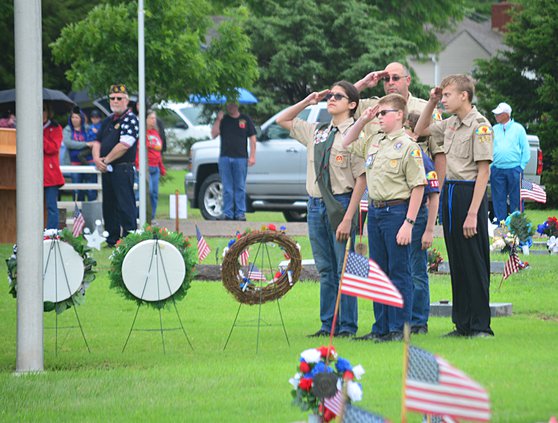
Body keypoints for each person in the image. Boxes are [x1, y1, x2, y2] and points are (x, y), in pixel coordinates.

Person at [276, 81, 367, 338]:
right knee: (326, 269)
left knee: (344, 269)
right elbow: (282, 119)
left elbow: (362, 178)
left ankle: (347, 326)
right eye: (330, 95)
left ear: (351, 105)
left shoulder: (355, 133)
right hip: (315, 205)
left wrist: (349, 218)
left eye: (338, 96)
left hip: (340, 205)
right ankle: (329, 324)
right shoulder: (318, 131)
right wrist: (307, 101)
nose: (331, 99)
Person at [415, 74, 494, 338]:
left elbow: (483, 172)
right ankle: (462, 324)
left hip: (469, 194)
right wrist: (432, 101)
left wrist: (473, 213)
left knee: (474, 260)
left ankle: (481, 325)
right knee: (458, 261)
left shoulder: (479, 126)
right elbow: (421, 129)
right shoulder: (450, 124)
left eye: (448, 95)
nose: (444, 99)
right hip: (449, 192)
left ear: (464, 95)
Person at [343, 94, 426, 342]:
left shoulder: (409, 146)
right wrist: (363, 120)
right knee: (378, 272)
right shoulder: (374, 141)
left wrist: (409, 224)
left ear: (399, 114)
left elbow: (419, 187)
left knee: (399, 271)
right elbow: (348, 141)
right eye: (377, 113)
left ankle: (398, 329)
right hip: (376, 211)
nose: (378, 117)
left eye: (383, 113)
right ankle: (381, 327)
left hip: (397, 211)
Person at [405, 112, 441, 335]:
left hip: (417, 220)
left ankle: (419, 321)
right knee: (401, 270)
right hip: (396, 218)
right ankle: (403, 317)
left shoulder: (419, 155)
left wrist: (429, 229)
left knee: (417, 270)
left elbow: (433, 194)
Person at [92, 84, 139, 247]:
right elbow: (97, 141)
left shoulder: (131, 119)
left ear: (126, 100)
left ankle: (129, 238)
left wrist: (105, 160)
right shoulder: (108, 120)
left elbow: (125, 144)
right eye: (112, 98)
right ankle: (112, 238)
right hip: (107, 168)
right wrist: (97, 159)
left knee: (125, 205)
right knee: (109, 205)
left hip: (122, 168)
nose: (115, 101)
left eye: (119, 98)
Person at [211, 102, 257, 221]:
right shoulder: (224, 120)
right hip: (225, 157)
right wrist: (218, 119)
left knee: (240, 187)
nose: (230, 107)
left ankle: (240, 213)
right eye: (229, 105)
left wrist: (252, 156)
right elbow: (214, 134)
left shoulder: (245, 119)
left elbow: (253, 138)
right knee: (227, 187)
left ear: (237, 105)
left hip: (241, 158)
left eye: (233, 104)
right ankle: (228, 213)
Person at [490, 102, 530, 223]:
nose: (496, 116)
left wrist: (521, 167)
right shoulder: (494, 129)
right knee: (498, 199)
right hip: (497, 169)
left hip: (514, 169)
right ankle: (501, 226)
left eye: (498, 114)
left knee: (516, 198)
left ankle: (517, 225)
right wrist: (491, 166)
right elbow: (489, 148)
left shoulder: (518, 129)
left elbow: (526, 150)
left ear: (506, 115)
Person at [135, 110, 166, 220]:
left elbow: (158, 152)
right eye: (151, 118)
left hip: (155, 167)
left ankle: (151, 218)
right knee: (147, 192)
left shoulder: (156, 133)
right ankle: (139, 217)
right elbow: (139, 150)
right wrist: (138, 165)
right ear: (145, 120)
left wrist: (161, 167)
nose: (154, 120)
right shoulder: (142, 134)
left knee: (154, 194)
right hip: (145, 168)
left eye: (154, 118)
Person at [63, 107, 97, 201]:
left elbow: (94, 141)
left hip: (89, 162)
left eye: (77, 117)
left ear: (81, 118)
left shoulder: (88, 128)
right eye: (73, 117)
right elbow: (69, 143)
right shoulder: (67, 130)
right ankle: (79, 214)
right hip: (75, 164)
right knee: (77, 190)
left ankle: (92, 214)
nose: (74, 119)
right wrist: (85, 144)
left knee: (91, 190)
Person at [43, 103, 65, 230]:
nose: (41, 113)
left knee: (51, 206)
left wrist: (39, 136)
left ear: (49, 112)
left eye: (44, 109)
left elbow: (53, 148)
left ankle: (51, 233)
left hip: (50, 174)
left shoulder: (56, 128)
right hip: (33, 174)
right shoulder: (29, 127)